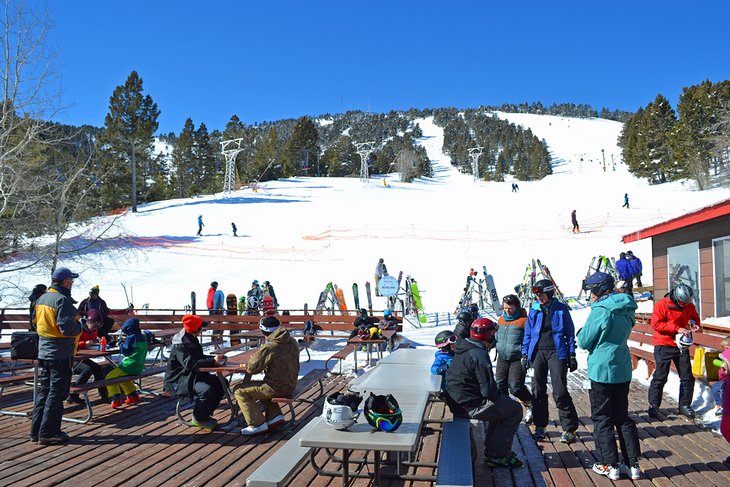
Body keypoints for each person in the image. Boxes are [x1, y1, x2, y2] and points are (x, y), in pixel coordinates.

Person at [577, 272, 641, 481]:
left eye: (591, 290)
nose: (590, 295)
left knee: (602, 417)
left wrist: (581, 333)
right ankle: (632, 464)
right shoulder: (627, 306)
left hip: (602, 369)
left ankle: (610, 463)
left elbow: (585, 341)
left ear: (598, 289)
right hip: (622, 366)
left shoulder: (601, 310)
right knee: (622, 416)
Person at [445, 318, 524, 468]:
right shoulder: (478, 354)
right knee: (514, 410)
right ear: (488, 336)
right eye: (493, 333)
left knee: (503, 407)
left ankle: (494, 450)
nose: (494, 336)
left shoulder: (465, 346)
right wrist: (502, 400)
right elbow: (488, 391)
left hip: (458, 400)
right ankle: (498, 456)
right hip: (468, 405)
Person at [521, 279, 579, 443]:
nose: (539, 297)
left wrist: (572, 354)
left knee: (559, 391)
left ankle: (569, 428)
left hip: (557, 352)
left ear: (550, 293)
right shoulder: (534, 309)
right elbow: (528, 333)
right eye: (537, 295)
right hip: (538, 352)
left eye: (541, 294)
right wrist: (525, 354)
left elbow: (569, 333)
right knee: (537, 390)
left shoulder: (561, 308)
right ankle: (540, 425)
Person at [30, 267, 83, 445]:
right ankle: (49, 433)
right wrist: (80, 327)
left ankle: (36, 431)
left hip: (44, 350)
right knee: (57, 393)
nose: (73, 284)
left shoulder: (42, 298)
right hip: (60, 352)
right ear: (66, 281)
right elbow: (66, 328)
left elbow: (35, 322)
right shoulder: (62, 300)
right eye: (72, 281)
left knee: (44, 391)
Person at [233, 316, 299, 435]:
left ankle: (257, 424)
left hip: (276, 388)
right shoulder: (291, 341)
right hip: (291, 384)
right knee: (263, 386)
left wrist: (253, 359)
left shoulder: (270, 346)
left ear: (264, 332)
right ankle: (275, 416)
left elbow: (252, 369)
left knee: (239, 390)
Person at [647, 283, 700, 419]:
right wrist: (677, 328)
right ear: (676, 297)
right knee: (661, 375)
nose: (684, 306)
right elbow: (656, 324)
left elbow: (694, 318)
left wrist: (695, 325)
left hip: (681, 345)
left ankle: (685, 405)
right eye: (682, 303)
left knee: (687, 376)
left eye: (686, 303)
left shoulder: (689, 306)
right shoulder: (662, 305)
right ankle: (654, 405)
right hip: (663, 343)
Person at [163, 314, 225, 430]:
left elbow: (198, 358)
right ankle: (198, 418)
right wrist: (212, 360)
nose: (202, 330)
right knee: (207, 390)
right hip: (179, 380)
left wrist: (214, 360)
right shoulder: (181, 343)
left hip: (191, 375)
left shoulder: (191, 338)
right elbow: (189, 364)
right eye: (201, 328)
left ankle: (204, 414)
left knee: (222, 383)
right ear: (195, 330)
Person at [495, 294, 533, 420]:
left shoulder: (524, 321)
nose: (507, 310)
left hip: (517, 357)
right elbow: (497, 336)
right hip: (502, 356)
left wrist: (526, 354)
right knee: (500, 385)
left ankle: (529, 403)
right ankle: (505, 411)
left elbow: (530, 338)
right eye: (505, 308)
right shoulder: (501, 319)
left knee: (515, 386)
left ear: (516, 306)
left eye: (510, 308)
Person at [67, 309, 108, 405]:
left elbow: (93, 339)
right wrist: (83, 344)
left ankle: (104, 394)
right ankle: (73, 394)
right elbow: (70, 343)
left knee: (97, 368)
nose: (95, 328)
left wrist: (95, 342)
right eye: (94, 325)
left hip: (83, 357)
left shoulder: (94, 330)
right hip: (71, 357)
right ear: (88, 321)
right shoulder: (77, 328)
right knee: (87, 370)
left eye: (98, 326)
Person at [105, 318, 148, 409]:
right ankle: (133, 395)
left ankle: (115, 398)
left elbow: (126, 351)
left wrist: (120, 343)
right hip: (139, 367)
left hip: (129, 365)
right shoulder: (142, 337)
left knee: (109, 377)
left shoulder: (131, 337)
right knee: (123, 378)